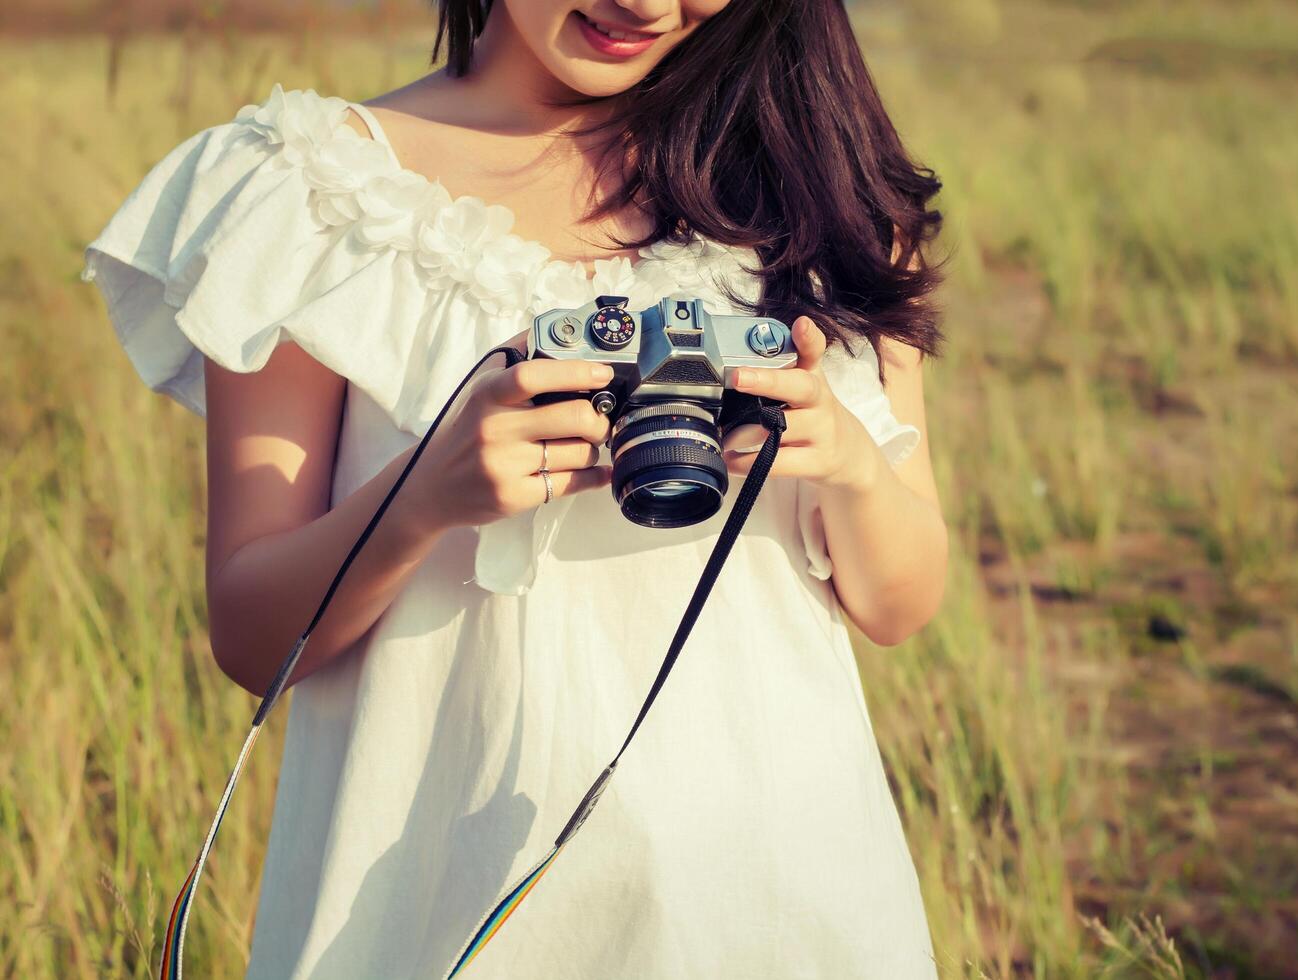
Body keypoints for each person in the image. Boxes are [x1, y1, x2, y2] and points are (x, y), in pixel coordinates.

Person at [81, 0, 949, 976]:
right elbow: (250, 631)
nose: (649, 4)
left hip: (774, 885)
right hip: (428, 891)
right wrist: (423, 499)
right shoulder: (311, 195)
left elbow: (900, 601)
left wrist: (843, 458)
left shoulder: (826, 192)